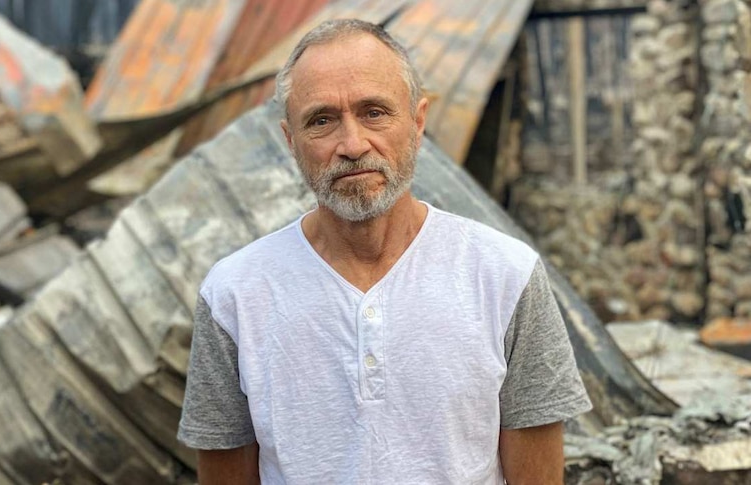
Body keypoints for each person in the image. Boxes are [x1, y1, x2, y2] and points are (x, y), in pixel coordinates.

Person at [177, 19, 592, 485]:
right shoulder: (234, 294)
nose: (352, 145)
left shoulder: (505, 276)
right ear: (291, 142)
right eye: (321, 121)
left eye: (374, 112)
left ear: (417, 122)